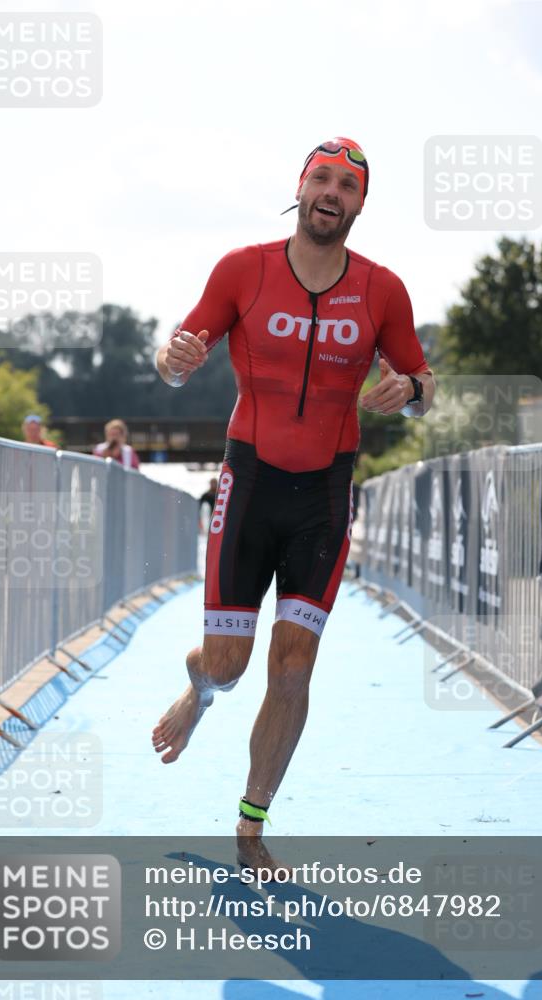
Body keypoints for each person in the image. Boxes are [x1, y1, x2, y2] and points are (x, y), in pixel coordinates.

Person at [152, 137, 435, 874]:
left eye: (348, 184)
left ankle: (251, 823)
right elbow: (176, 356)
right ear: (300, 188)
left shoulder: (381, 289)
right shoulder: (242, 269)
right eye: (322, 179)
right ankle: (200, 690)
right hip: (248, 486)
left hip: (324, 497)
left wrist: (408, 391)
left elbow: (423, 385)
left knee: (293, 665)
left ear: (360, 204)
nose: (332, 192)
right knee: (228, 665)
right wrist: (172, 361)